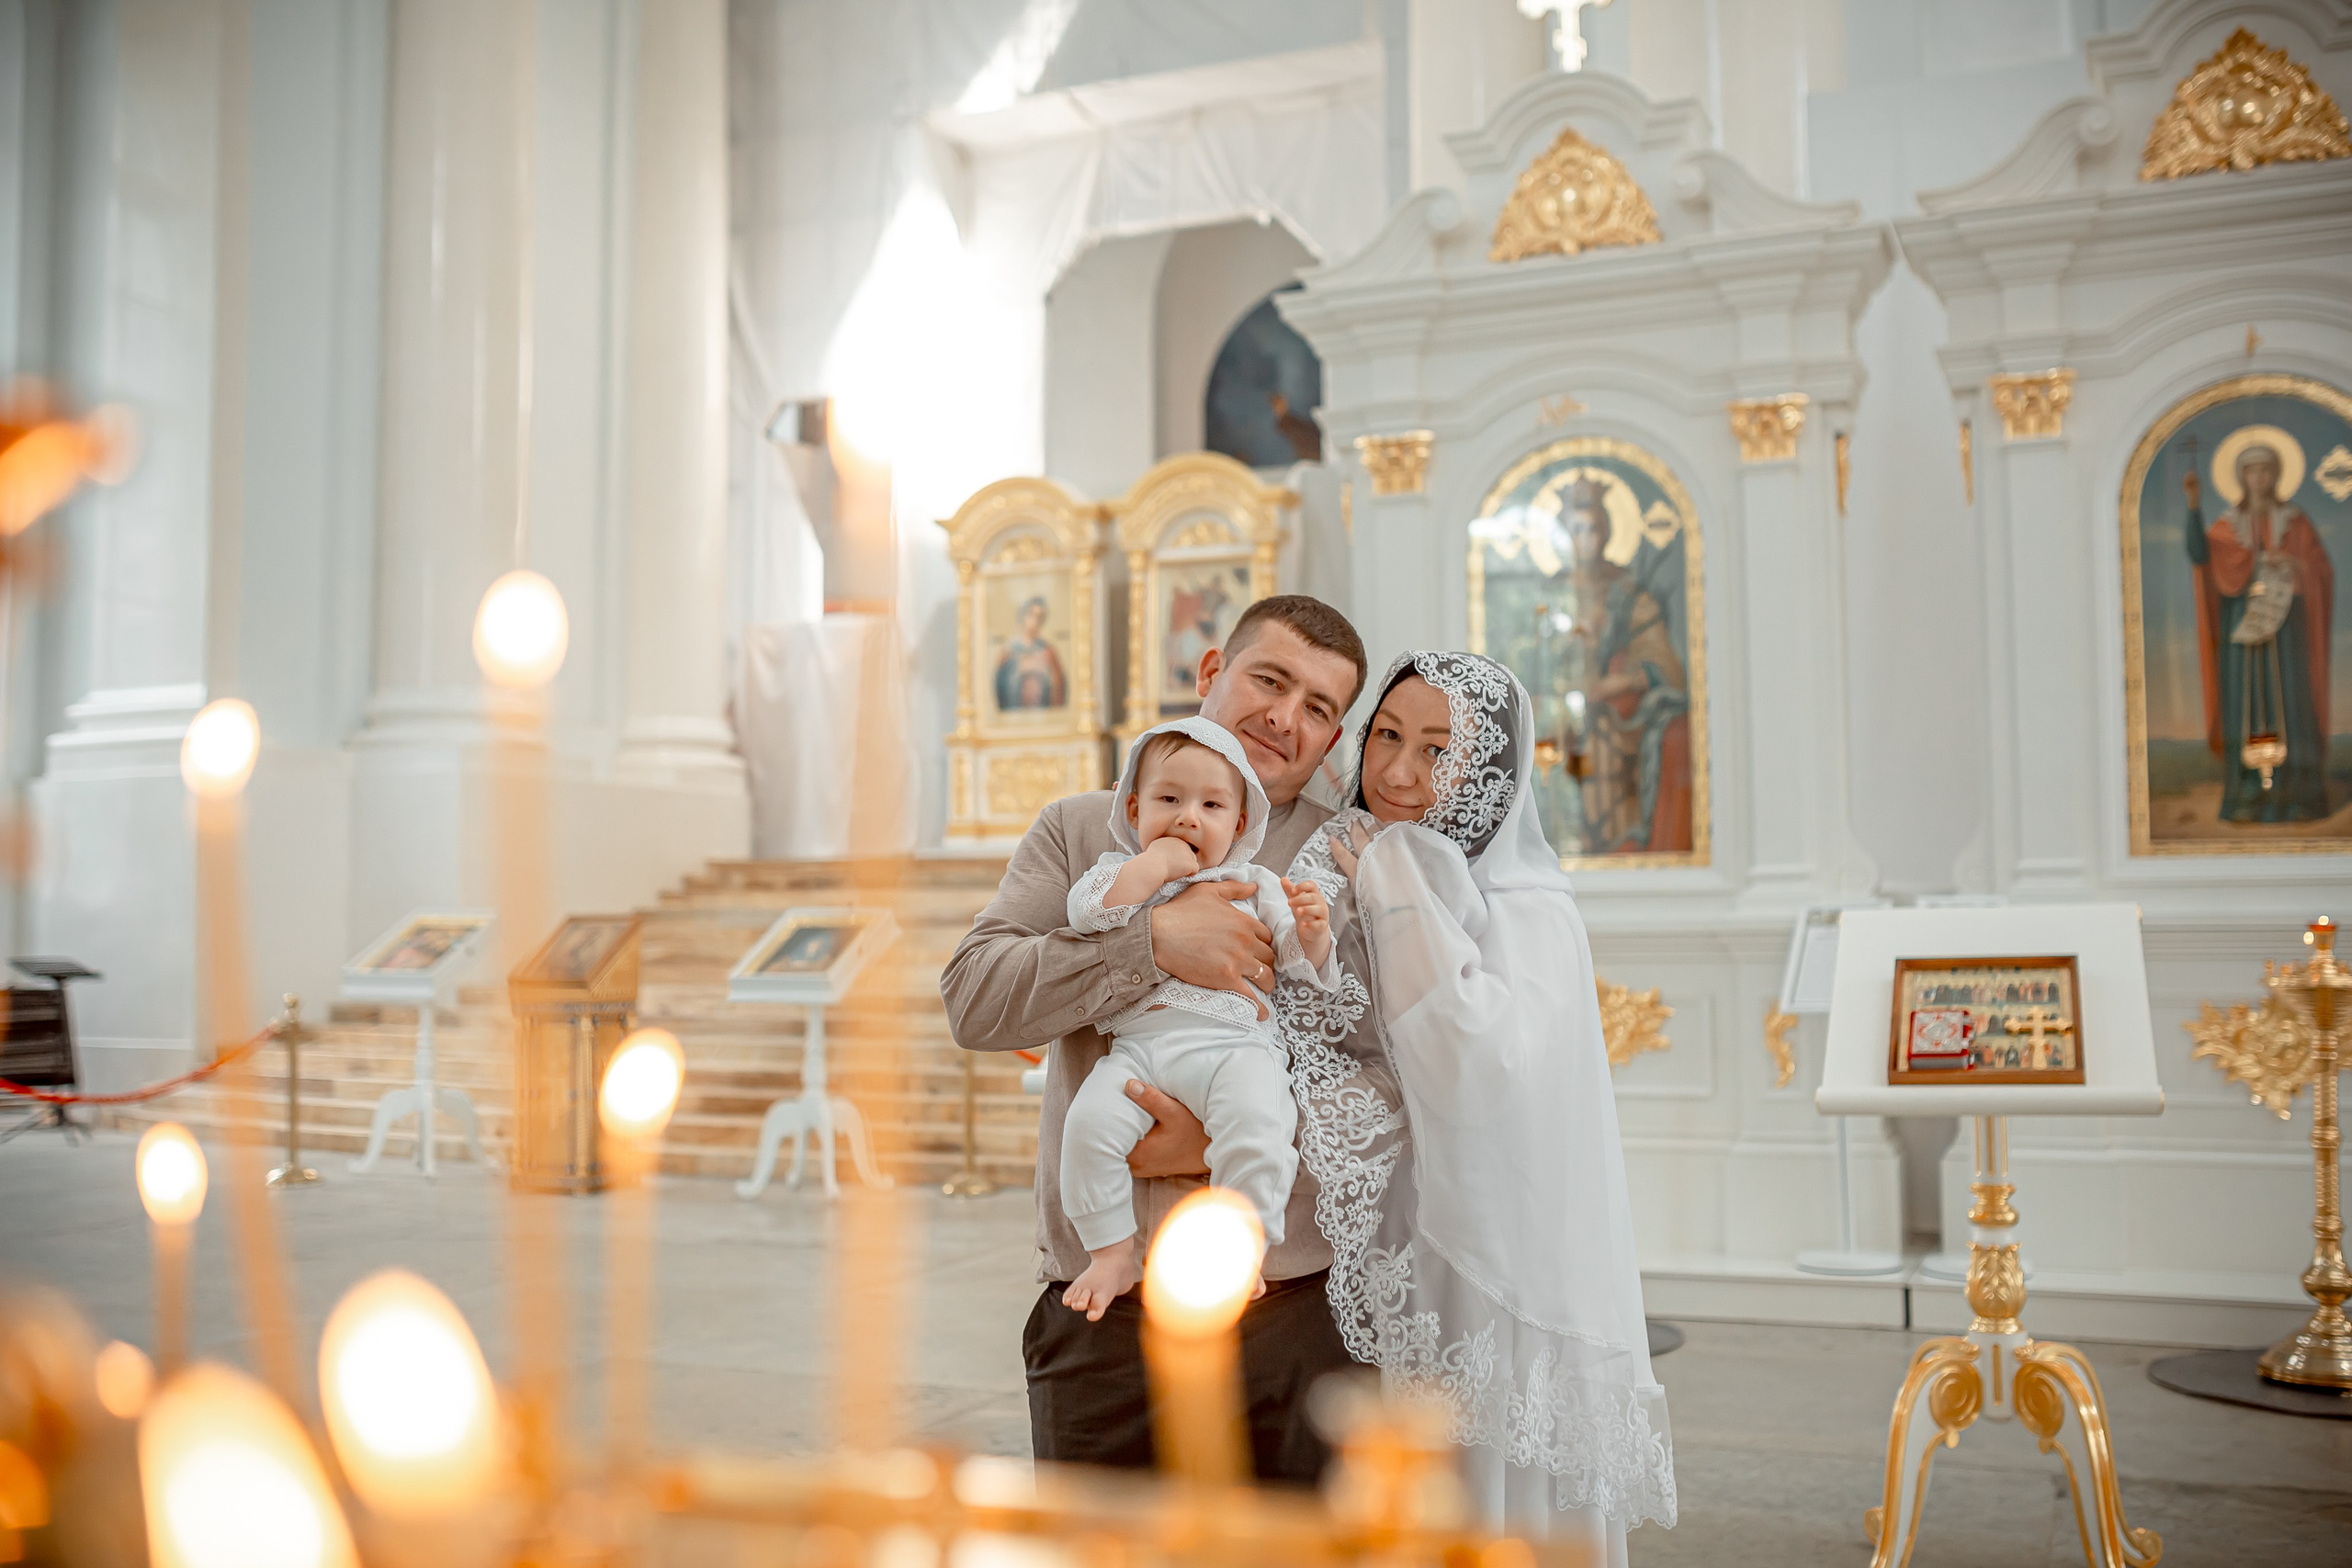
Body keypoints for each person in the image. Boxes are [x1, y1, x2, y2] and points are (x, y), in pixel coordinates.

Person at [941, 594, 1368, 1482]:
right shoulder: (1081, 830)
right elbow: (974, 999)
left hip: (1286, 1307)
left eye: (1320, 708)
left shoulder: (1347, 857)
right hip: (1105, 1305)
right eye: (1270, 679)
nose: (1286, 716)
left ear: (1333, 739)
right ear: (1211, 672)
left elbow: (1394, 1070)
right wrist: (1148, 942)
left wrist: (1210, 1144)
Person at [1284, 651, 1675, 1555]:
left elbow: (1473, 1061)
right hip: (1408, 1230)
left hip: (1493, 1253)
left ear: (1487, 776)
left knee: (1489, 1480)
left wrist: (1392, 881)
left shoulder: (1526, 901)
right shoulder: (1359, 855)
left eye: (1436, 752)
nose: (1395, 775)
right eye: (1386, 735)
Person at [1058, 717, 1336, 1318]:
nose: (1188, 816)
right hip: (1139, 1054)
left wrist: (1312, 932)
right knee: (1087, 1125)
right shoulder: (1122, 873)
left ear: (1238, 824)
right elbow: (1086, 912)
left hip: (1234, 1045)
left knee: (1258, 1125)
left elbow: (1290, 955)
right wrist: (1153, 867)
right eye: (1167, 799)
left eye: (1211, 804)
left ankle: (1242, 1248)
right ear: (1133, 810)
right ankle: (1109, 1252)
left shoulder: (1252, 881)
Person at [2184, 443, 2333, 821]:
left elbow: (2320, 571)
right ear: (2241, 477)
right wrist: (2193, 505)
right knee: (2247, 707)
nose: (2260, 477)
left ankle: (2297, 795)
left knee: (2291, 707)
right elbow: (2201, 554)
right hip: (2242, 628)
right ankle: (2247, 796)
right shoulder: (2227, 524)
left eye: (2267, 469)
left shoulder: (2295, 521)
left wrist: (2294, 563)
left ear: (2277, 474)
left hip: (2287, 630)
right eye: (2252, 470)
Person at [995, 596, 1069, 711]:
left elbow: (1059, 687)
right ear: (1022, 616)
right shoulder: (1009, 653)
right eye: (1031, 615)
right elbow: (1000, 689)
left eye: (1039, 617)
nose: (1035, 621)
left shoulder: (1047, 651)